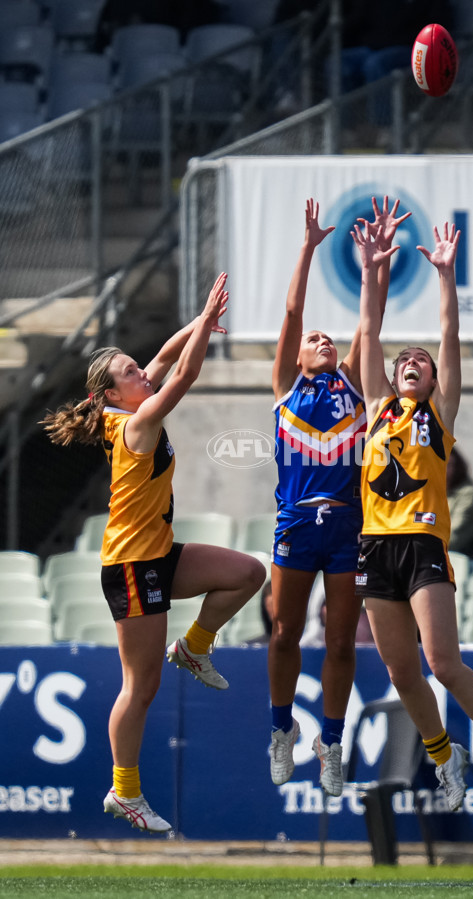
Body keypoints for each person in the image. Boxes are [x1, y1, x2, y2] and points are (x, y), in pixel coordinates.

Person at [42, 273, 266, 833]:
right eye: (131, 373)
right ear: (114, 395)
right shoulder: (138, 420)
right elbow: (185, 370)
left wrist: (202, 320)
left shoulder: (130, 405)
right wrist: (208, 320)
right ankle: (124, 791)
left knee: (246, 572)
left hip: (157, 553)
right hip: (132, 566)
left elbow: (168, 354)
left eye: (138, 369)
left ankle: (193, 646)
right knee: (140, 687)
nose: (142, 373)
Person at [351, 213, 473, 812]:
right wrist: (376, 271)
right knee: (401, 673)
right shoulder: (375, 407)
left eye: (420, 362)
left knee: (442, 662)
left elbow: (449, 335)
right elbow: (369, 333)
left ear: (429, 378)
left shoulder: (439, 416)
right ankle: (445, 759)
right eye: (408, 360)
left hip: (422, 546)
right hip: (374, 546)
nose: (413, 362)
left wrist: (445, 276)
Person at [267, 197, 403, 798]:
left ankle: (330, 738)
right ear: (297, 355)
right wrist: (308, 247)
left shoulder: (350, 381)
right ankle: (280, 730)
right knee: (282, 633)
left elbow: (370, 321)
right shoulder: (284, 387)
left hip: (349, 529)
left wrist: (376, 264)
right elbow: (294, 310)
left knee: (343, 639)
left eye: (327, 338)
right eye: (313, 339)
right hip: (297, 524)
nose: (321, 340)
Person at [446, 446, 473, 558]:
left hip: (458, 559)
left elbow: (455, 537)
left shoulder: (468, 495)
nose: (443, 469)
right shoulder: (425, 494)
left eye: (448, 465)